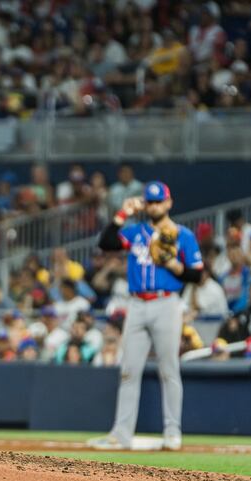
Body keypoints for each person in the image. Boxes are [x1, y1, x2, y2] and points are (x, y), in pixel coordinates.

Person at [89, 181, 202, 451]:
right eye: (149, 202)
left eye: (158, 201)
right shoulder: (136, 231)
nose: (153, 206)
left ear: (168, 202)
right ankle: (121, 434)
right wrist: (122, 213)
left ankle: (173, 433)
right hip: (137, 304)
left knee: (169, 370)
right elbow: (106, 243)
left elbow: (196, 274)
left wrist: (173, 264)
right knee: (128, 371)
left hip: (166, 302)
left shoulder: (182, 234)